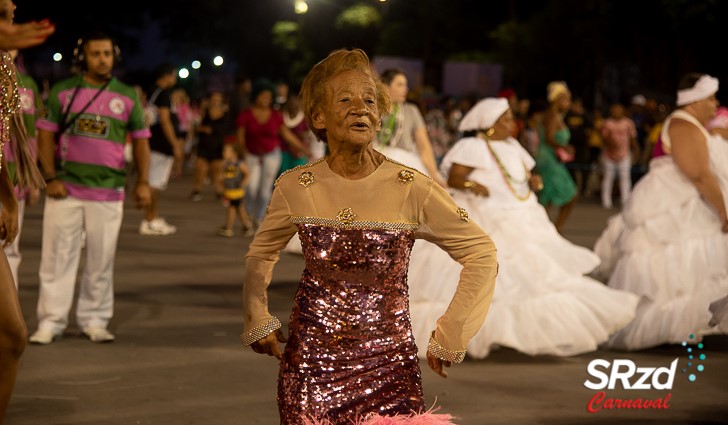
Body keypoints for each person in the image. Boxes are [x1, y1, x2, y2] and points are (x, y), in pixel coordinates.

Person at [240, 48, 498, 424]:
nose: (360, 109)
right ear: (318, 117)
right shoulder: (296, 185)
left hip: (388, 366)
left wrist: (453, 332)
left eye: (370, 101)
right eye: (344, 99)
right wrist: (256, 316)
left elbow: (481, 253)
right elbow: (261, 253)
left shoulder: (411, 186)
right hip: (311, 365)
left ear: (380, 116)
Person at [407, 98, 639, 360]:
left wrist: (533, 180)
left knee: (534, 272)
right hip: (484, 214)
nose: (511, 124)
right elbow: (455, 178)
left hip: (521, 214)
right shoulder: (472, 146)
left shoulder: (513, 146)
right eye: (505, 119)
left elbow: (524, 173)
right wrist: (474, 186)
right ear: (490, 124)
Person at [30, 32, 151, 345]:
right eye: (95, 54)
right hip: (65, 189)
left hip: (109, 191)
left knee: (101, 258)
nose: (102, 59)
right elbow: (44, 135)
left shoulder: (127, 95)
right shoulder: (62, 92)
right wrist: (51, 177)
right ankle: (51, 321)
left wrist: (143, 183)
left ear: (115, 56)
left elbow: (141, 142)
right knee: (57, 258)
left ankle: (95, 319)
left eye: (107, 54)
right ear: (83, 57)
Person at [594, 73, 728, 351]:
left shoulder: (691, 124)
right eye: (711, 98)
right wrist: (723, 211)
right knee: (678, 265)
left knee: (695, 265)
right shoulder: (683, 125)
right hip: (676, 207)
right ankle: (672, 327)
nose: (715, 104)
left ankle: (690, 326)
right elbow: (699, 174)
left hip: (683, 203)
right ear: (695, 100)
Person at [0, 1, 52, 420]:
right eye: (1, 14)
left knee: (12, 336)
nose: (10, 24)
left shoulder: (6, 71)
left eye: (10, 14)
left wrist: (7, 195)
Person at [235, 78, 309, 226]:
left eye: (269, 97)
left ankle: (260, 216)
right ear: (255, 96)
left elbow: (286, 133)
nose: (266, 99)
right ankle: (248, 212)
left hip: (271, 154)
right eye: (263, 96)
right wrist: (242, 154)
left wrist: (302, 147)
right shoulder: (246, 114)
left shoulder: (276, 115)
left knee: (265, 189)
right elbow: (240, 137)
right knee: (251, 186)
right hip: (251, 154)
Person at [3, 48, 41, 286]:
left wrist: (31, 177)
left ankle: (7, 311)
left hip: (11, 176)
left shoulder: (26, 84)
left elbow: (31, 135)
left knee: (9, 245)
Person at [375, 68, 447, 187]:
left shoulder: (411, 110)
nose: (405, 89)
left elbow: (423, 145)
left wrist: (434, 174)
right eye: (400, 85)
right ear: (385, 86)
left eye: (405, 85)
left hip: (403, 163)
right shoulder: (373, 108)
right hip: (375, 161)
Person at [139, 63, 180, 236]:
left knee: (152, 181)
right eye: (174, 75)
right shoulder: (163, 94)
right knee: (155, 183)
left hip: (151, 141)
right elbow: (164, 120)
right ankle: (150, 220)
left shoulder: (152, 91)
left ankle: (152, 217)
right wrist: (175, 143)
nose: (175, 79)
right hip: (161, 145)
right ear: (167, 76)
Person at [534, 81, 578, 233]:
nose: (568, 103)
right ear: (555, 99)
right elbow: (549, 138)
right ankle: (552, 230)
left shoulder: (557, 115)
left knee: (549, 197)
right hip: (548, 160)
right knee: (562, 195)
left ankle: (549, 229)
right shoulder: (552, 115)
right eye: (565, 99)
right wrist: (565, 147)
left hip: (550, 159)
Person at [190, 89, 230, 201]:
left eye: (218, 99)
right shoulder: (205, 111)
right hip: (204, 144)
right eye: (214, 98)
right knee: (200, 169)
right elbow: (196, 125)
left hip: (218, 144)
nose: (216, 101)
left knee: (217, 171)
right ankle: (196, 190)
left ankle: (219, 192)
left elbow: (226, 129)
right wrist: (203, 128)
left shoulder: (226, 113)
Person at [599, 102, 639, 209]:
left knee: (625, 178)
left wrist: (636, 150)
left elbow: (632, 138)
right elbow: (603, 138)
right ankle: (606, 201)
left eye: (618, 110)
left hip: (624, 154)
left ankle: (625, 200)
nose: (616, 112)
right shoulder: (607, 123)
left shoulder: (628, 123)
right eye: (614, 110)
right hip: (609, 155)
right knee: (608, 178)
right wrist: (610, 144)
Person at [217, 142, 254, 237]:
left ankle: (229, 228)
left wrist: (243, 183)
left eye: (226, 151)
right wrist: (221, 184)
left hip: (237, 192)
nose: (223, 153)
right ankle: (246, 226)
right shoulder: (226, 164)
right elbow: (222, 176)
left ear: (234, 153)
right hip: (229, 191)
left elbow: (247, 173)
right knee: (239, 209)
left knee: (232, 209)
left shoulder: (239, 164)